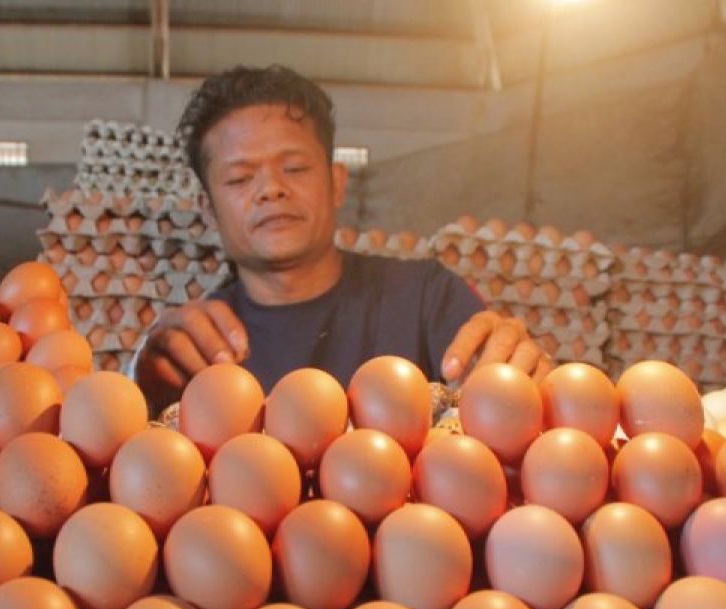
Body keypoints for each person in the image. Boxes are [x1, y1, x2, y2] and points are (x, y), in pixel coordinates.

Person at [135, 65, 549, 410]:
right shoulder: (196, 343)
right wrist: (143, 386)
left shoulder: (424, 297)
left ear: (336, 184)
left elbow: (503, 389)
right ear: (208, 209)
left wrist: (522, 373)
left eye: (294, 168)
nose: (271, 189)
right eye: (241, 178)